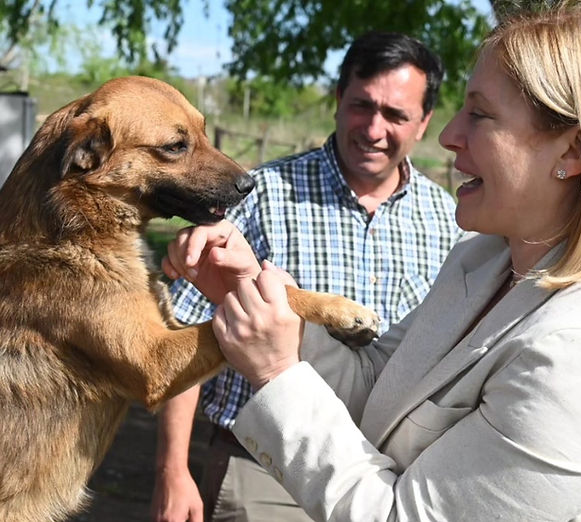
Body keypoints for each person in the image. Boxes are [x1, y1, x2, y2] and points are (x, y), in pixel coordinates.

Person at [162, 2, 581, 520]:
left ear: (572, 152)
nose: (448, 136)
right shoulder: (482, 263)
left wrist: (276, 371)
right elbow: (377, 389)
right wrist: (254, 296)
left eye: (480, 114)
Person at [151, 32, 462, 522]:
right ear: (338, 98)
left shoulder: (448, 221)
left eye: (395, 115)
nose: (374, 129)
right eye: (362, 105)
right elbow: (186, 327)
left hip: (390, 479)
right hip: (262, 470)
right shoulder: (262, 194)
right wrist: (173, 470)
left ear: (424, 122)